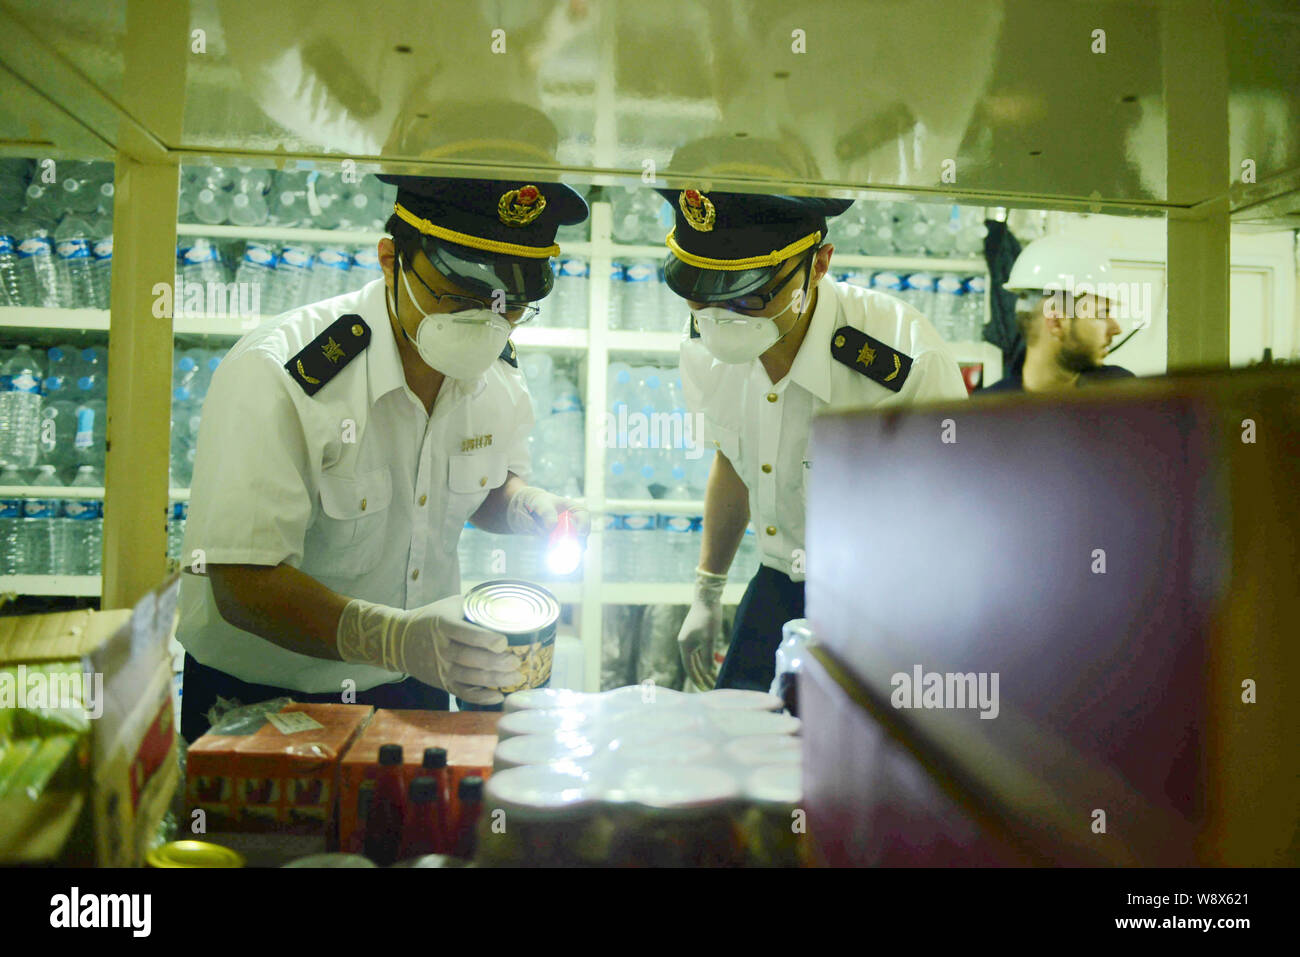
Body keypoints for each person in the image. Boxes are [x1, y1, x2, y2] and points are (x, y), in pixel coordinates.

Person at [177, 175, 590, 742]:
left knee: (415, 829)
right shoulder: (285, 372)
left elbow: (482, 490)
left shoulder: (497, 380)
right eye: (456, 294)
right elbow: (242, 580)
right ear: (390, 259)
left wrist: (526, 506)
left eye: (510, 305)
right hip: (263, 698)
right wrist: (395, 638)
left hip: (415, 682)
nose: (486, 321)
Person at [664, 187, 970, 691]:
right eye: (699, 290)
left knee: (852, 760)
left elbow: (954, 519)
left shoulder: (902, 359)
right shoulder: (705, 346)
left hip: (886, 605)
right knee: (740, 742)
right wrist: (708, 589)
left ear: (819, 264)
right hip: (776, 584)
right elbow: (733, 464)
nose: (722, 315)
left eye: (748, 292)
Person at [981, 235, 1136, 393]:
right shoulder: (987, 411)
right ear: (1056, 322)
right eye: (1102, 314)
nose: (1117, 329)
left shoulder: (1122, 393)